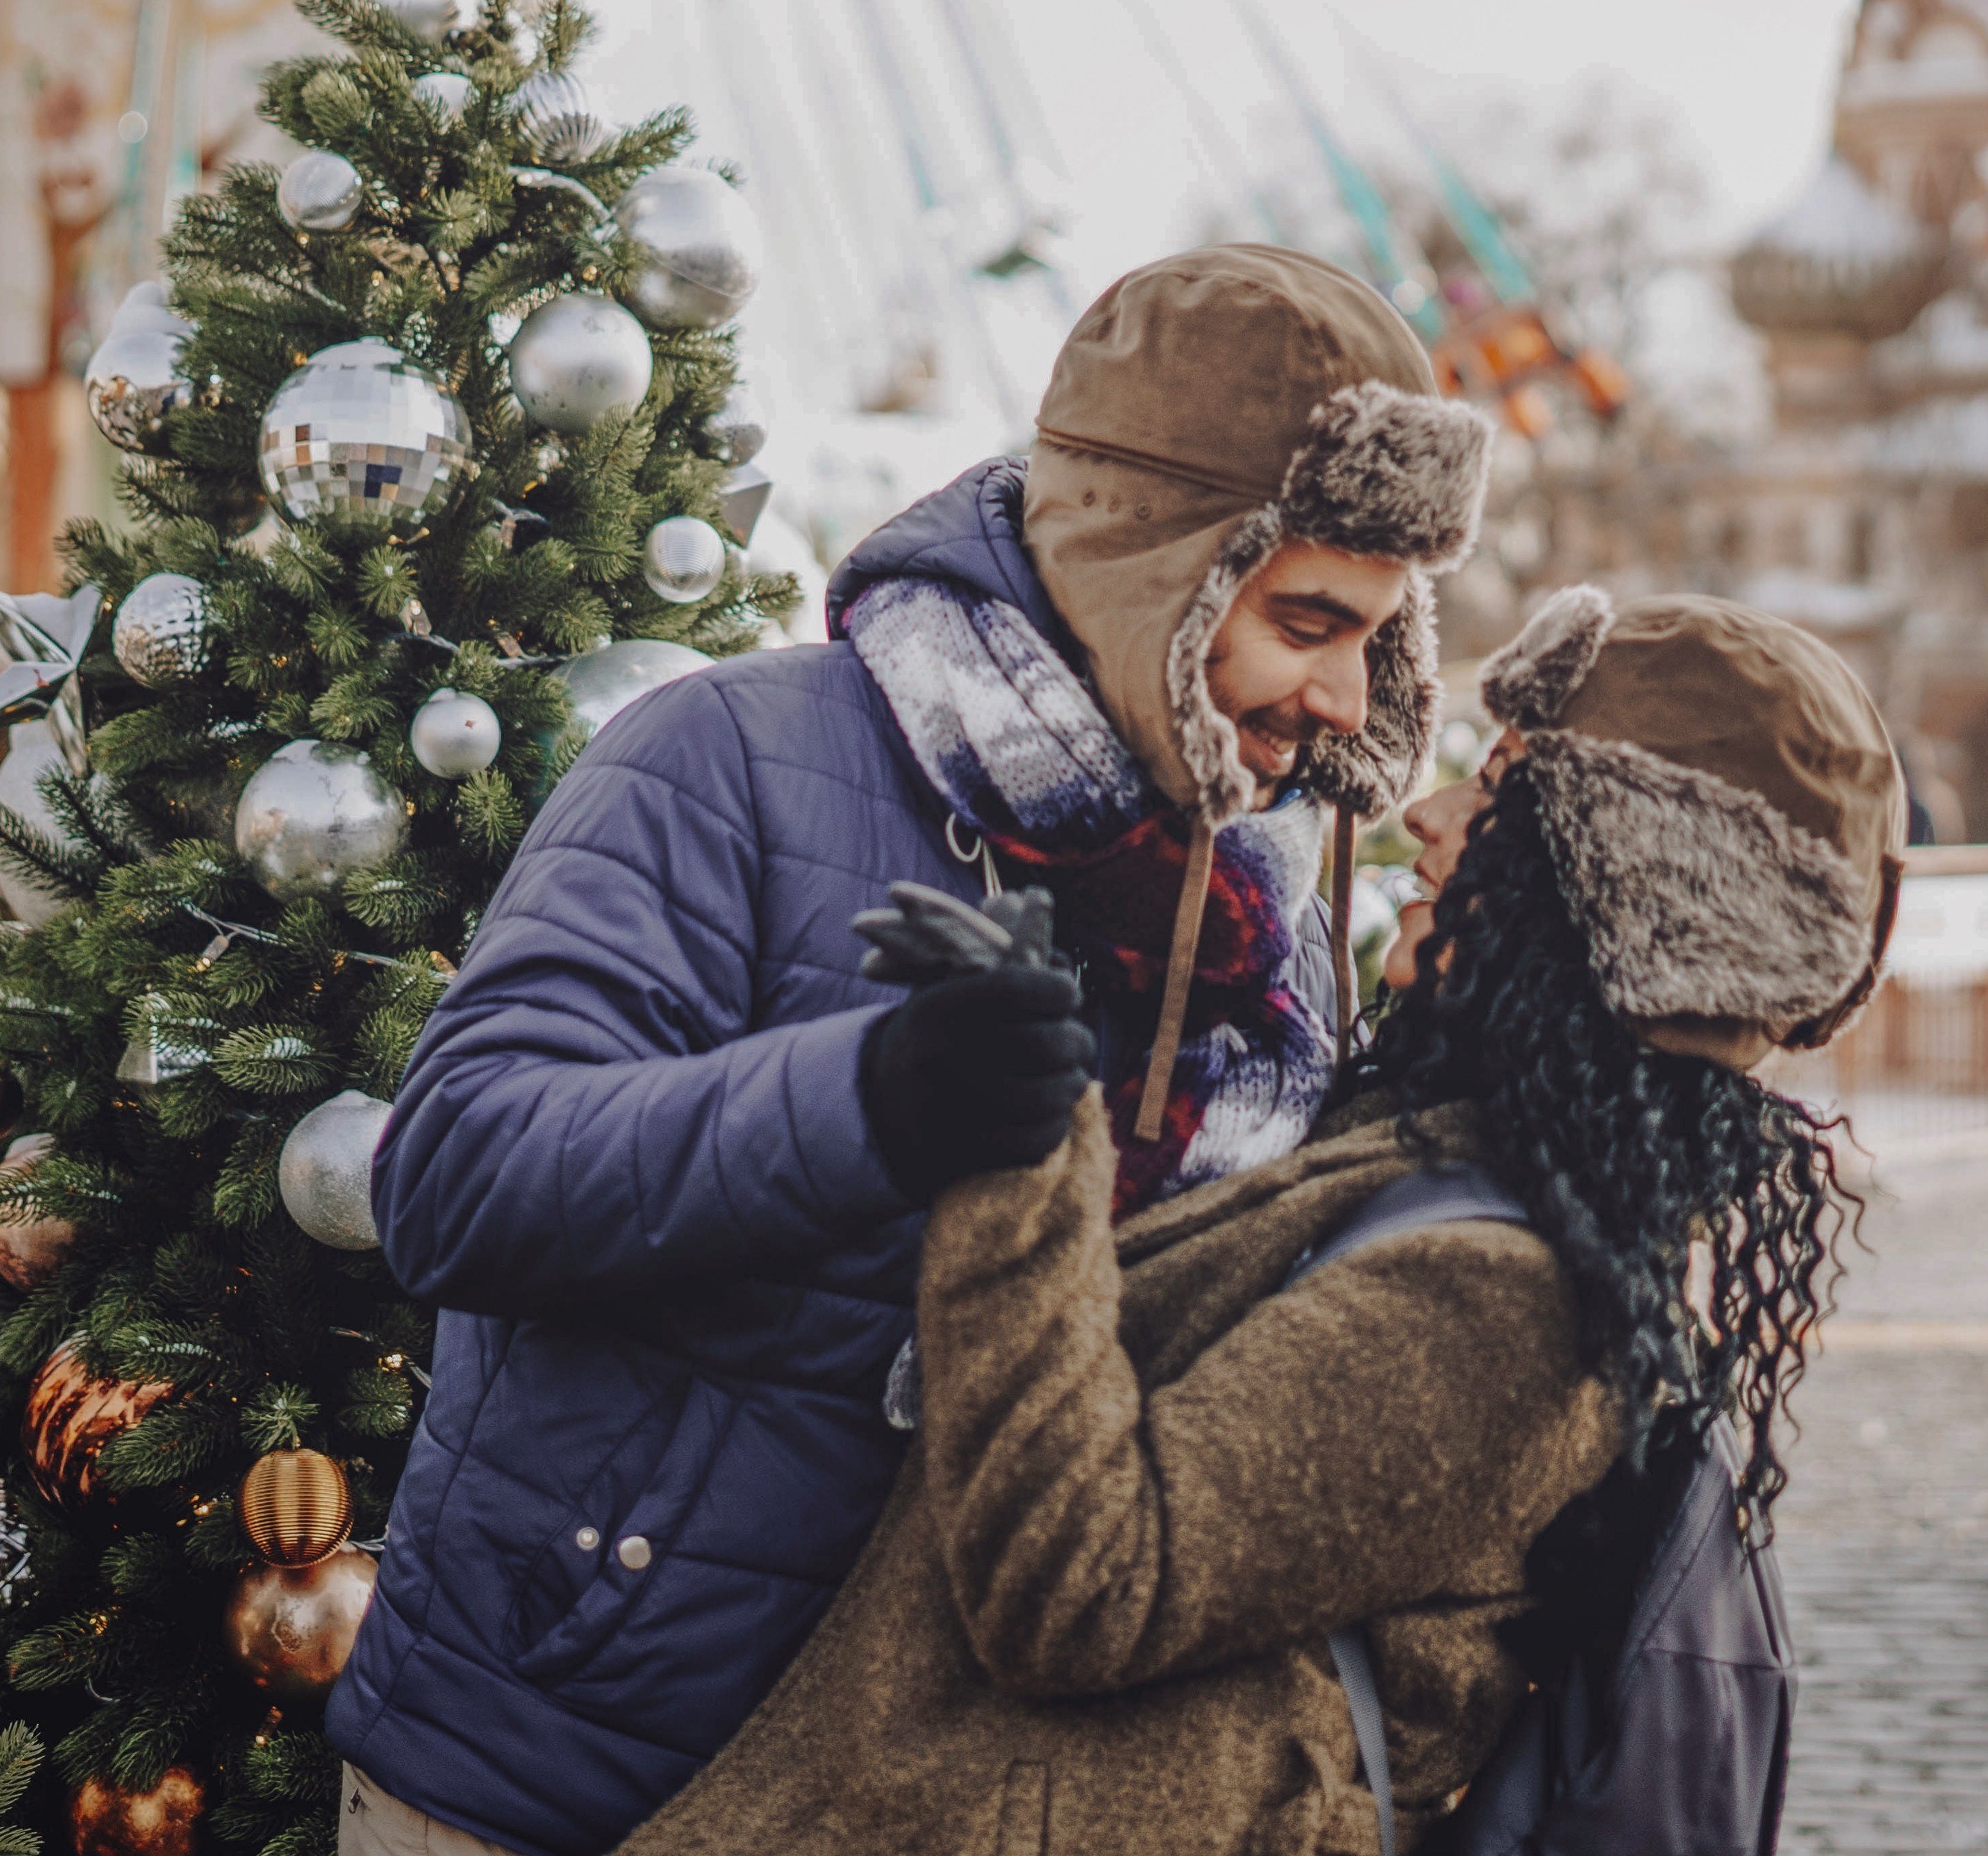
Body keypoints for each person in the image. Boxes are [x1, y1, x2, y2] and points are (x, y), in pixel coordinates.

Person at [328, 248, 1496, 1856]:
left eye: (1375, 633)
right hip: (575, 1773)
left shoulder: (1256, 912)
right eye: (1306, 619)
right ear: (1154, 563)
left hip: (923, 1802)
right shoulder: (730, 756)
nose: (1343, 696)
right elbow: (453, 1174)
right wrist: (867, 1102)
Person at [611, 586, 1901, 1856]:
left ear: (1619, 906)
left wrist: (1024, 1136)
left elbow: (1077, 1584)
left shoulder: (1505, 1302)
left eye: (1500, 797)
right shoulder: (1465, 1174)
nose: (1431, 818)